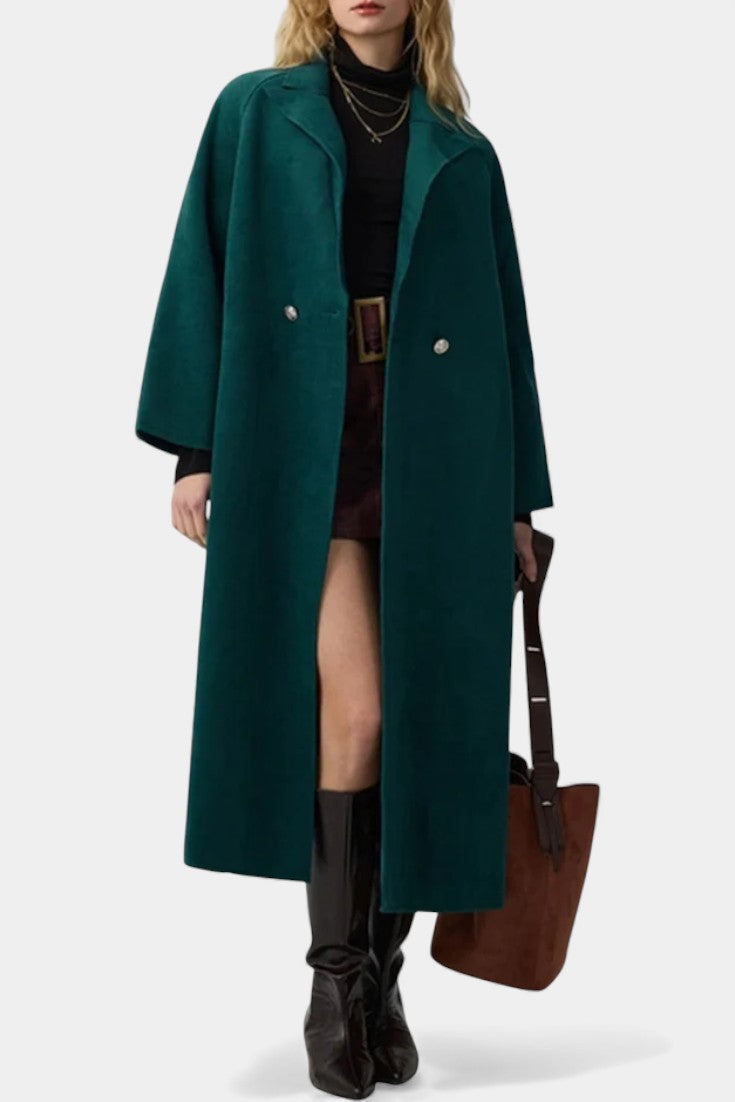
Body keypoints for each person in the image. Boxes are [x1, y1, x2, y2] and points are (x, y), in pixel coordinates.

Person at [135, 1, 553, 1096]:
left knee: (424, 728)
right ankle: (335, 982)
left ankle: (383, 979)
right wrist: (195, 447)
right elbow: (202, 264)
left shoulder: (464, 150)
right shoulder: (255, 112)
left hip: (437, 454)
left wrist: (517, 498)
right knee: (358, 713)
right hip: (302, 434)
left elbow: (504, 328)